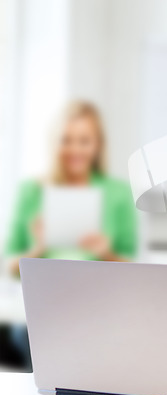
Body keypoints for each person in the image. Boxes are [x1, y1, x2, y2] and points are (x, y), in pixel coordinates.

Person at [5, 100, 138, 274]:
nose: (75, 149)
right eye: (66, 140)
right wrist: (36, 250)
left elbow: (133, 267)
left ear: (98, 145)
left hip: (98, 291)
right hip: (42, 290)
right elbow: (9, 266)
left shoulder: (118, 193)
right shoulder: (30, 191)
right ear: (54, 142)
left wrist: (106, 254)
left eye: (84, 141)